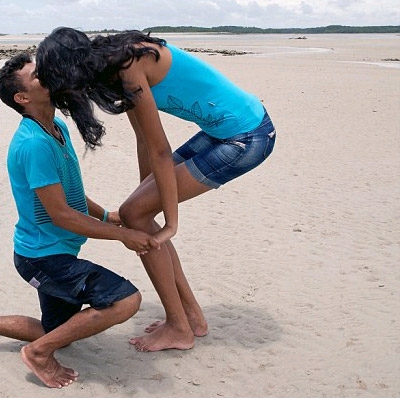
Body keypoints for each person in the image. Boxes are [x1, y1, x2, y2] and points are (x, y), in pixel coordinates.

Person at [35, 27, 276, 352]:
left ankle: (179, 328)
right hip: (224, 131)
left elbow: (161, 149)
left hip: (247, 136)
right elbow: (144, 141)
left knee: (138, 213)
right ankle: (192, 318)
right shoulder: (111, 68)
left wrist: (169, 222)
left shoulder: (128, 63)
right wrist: (143, 200)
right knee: (137, 211)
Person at [0, 52, 159, 388]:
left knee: (57, 331)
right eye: (36, 75)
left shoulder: (56, 127)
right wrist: (122, 236)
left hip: (52, 252)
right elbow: (59, 214)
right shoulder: (33, 144)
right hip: (42, 259)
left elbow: (69, 194)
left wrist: (109, 216)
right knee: (125, 299)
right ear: (23, 98)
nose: (46, 74)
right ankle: (38, 354)